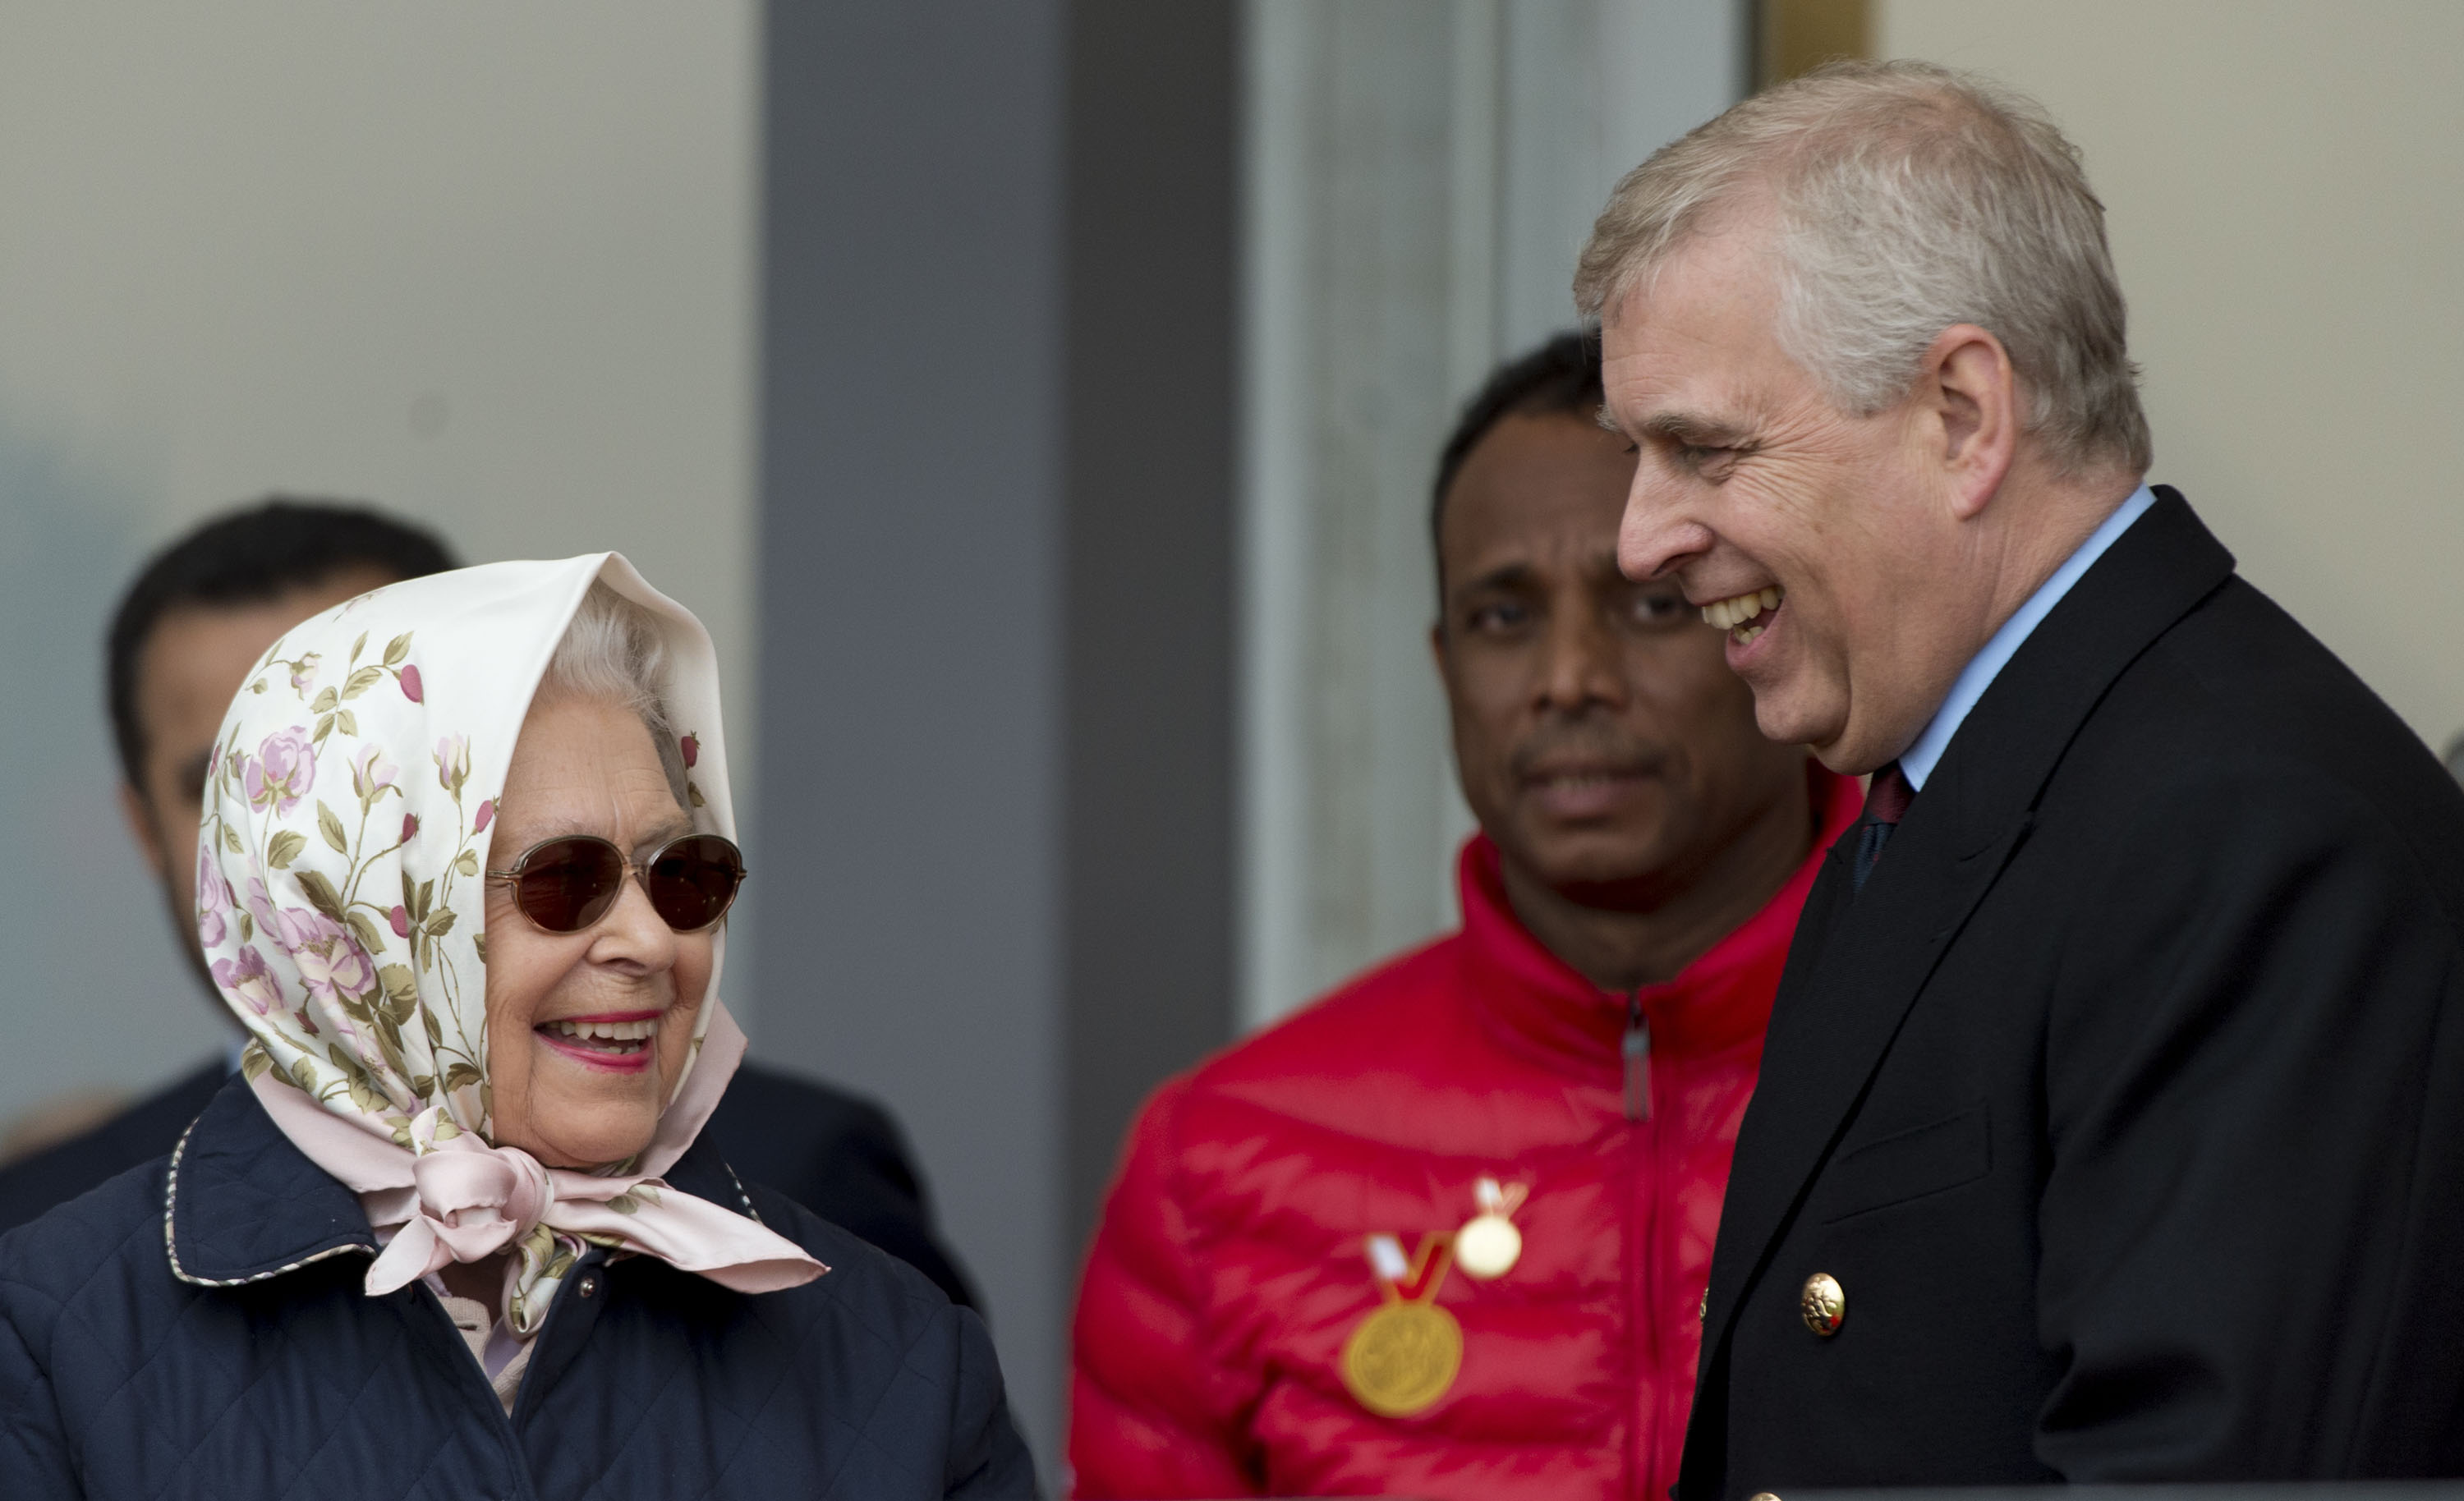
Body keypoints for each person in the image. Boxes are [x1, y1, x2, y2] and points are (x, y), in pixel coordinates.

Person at [1579, 60, 2464, 1493]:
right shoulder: (1971, 789)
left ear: (1964, 416)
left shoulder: (2251, 844)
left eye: (1705, 449)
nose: (1639, 540)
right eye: (1639, 456)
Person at [0, 557, 1034, 1498]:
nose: (652, 940)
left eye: (684, 874)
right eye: (563, 878)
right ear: (356, 921)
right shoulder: (50, 1340)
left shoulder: (903, 1353)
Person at [1069, 333, 1860, 1500]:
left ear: (1769, 623)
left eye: (1651, 601)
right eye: (1504, 618)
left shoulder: (1998, 1075)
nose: (1568, 677)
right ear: (1445, 668)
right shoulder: (1219, 1163)